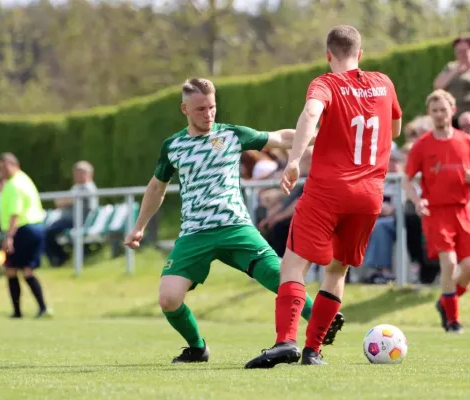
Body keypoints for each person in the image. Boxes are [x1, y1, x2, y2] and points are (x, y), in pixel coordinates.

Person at [124, 77, 342, 364]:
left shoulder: (232, 135)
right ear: (184, 109)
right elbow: (156, 187)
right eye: (200, 109)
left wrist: (326, 131)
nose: (208, 114)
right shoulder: (172, 146)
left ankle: (320, 322)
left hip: (236, 227)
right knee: (168, 299)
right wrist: (139, 226)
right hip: (194, 234)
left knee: (281, 275)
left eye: (212, 107)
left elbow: (281, 138)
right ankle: (197, 348)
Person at [245, 24, 402, 368]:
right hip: (369, 195)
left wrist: (294, 161)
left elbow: (311, 114)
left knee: (293, 264)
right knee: (337, 270)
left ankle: (286, 341)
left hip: (328, 191)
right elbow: (396, 126)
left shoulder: (325, 83)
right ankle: (314, 350)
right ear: (360, 54)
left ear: (328, 55)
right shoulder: (384, 83)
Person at [404, 90, 470, 334]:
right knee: (448, 263)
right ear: (429, 114)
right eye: (434, 111)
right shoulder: (422, 145)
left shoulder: (466, 140)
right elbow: (407, 179)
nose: (439, 115)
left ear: (452, 110)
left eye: (443, 110)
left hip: (462, 209)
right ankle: (453, 321)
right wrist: (418, 201)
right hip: (436, 212)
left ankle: (446, 302)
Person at [0, 153, 51, 319]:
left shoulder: (14, 185)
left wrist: (9, 236)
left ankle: (19, 311)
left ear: (15, 165)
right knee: (26, 269)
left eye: (4, 167)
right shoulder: (24, 179)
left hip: (23, 230)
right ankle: (42, 309)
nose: (2, 171)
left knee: (12, 269)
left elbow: (15, 212)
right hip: (35, 228)